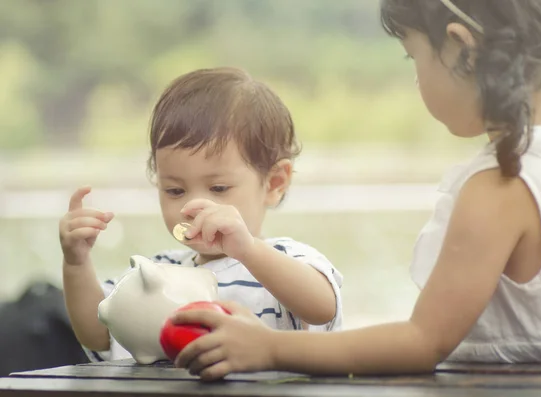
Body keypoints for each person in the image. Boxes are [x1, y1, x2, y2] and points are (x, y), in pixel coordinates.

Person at [169, 0, 541, 380]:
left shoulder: (501, 187)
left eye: (413, 55)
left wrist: (269, 347)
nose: (416, 79)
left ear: (462, 49)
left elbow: (422, 341)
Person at [58, 67, 343, 362]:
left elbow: (323, 308)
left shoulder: (285, 259)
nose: (193, 207)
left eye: (218, 188)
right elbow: (100, 335)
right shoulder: (161, 269)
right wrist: (76, 263)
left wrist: (247, 250)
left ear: (274, 183)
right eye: (174, 191)